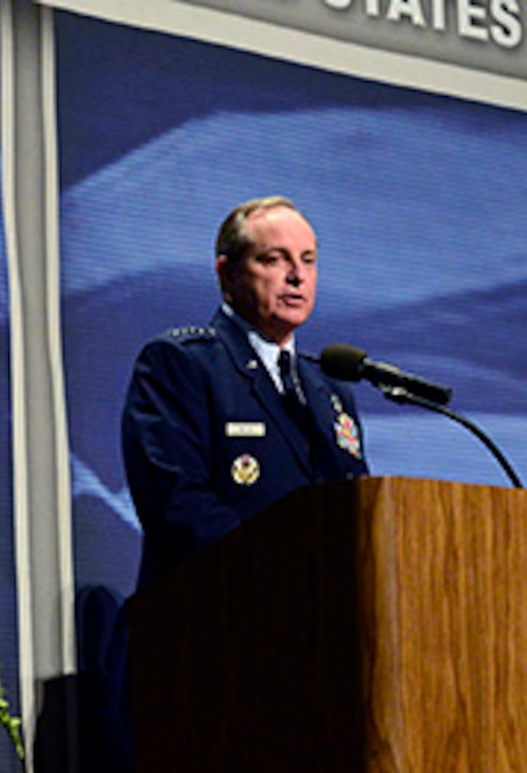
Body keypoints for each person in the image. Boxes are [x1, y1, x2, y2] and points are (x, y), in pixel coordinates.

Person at [122, 196, 370, 588]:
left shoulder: (330, 387)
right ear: (227, 275)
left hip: (324, 625)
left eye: (307, 260)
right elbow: (177, 504)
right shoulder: (182, 363)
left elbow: (354, 511)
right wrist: (284, 573)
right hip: (217, 613)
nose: (296, 276)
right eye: (274, 259)